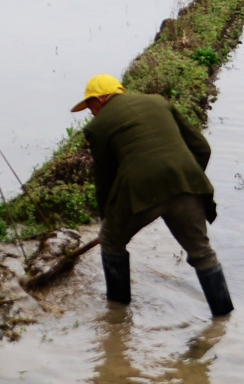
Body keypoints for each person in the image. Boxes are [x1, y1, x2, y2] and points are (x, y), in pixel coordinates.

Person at [72, 73, 232, 316]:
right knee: (202, 252)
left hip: (141, 191)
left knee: (111, 241)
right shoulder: (158, 101)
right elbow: (202, 147)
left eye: (90, 106)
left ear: (101, 99)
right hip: (187, 185)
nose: (91, 113)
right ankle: (223, 318)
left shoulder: (98, 125)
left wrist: (107, 216)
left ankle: (117, 317)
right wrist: (185, 179)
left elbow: (103, 176)